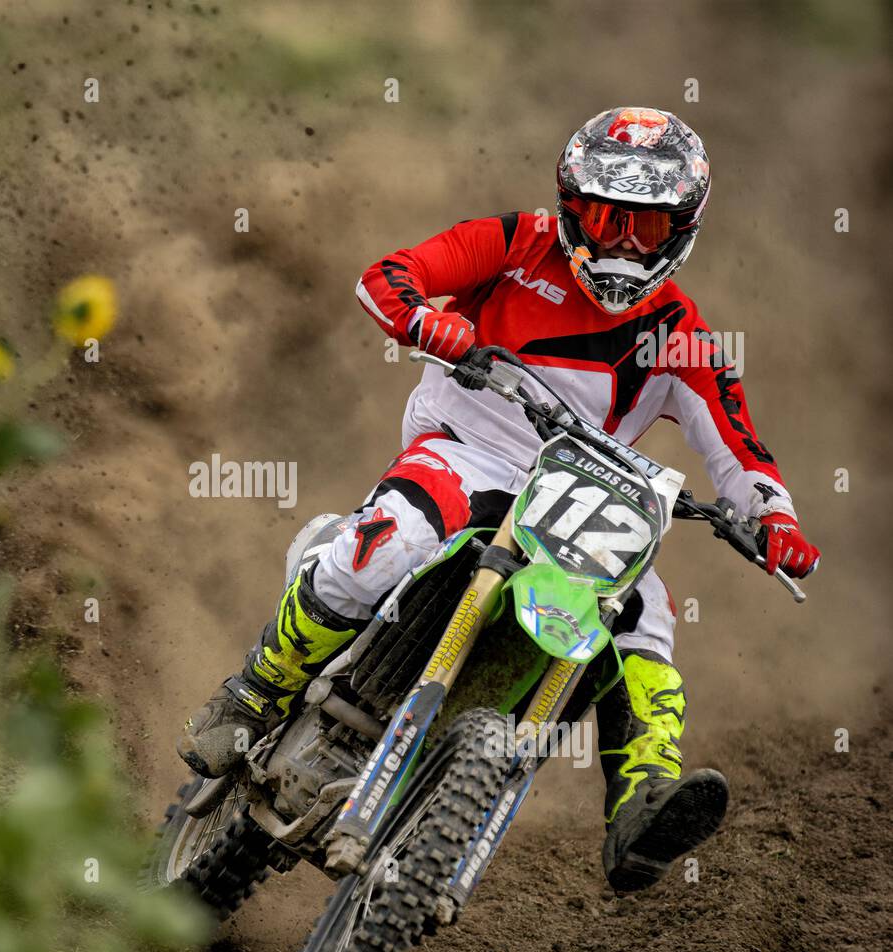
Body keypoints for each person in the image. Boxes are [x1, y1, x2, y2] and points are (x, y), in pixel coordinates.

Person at [176, 107, 820, 891]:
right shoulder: (514, 243)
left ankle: (640, 805)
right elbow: (385, 278)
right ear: (570, 205)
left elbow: (740, 448)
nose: (620, 241)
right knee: (395, 542)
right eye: (607, 217)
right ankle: (255, 691)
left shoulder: (681, 336)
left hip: (584, 501)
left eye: (645, 229)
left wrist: (774, 519)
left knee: (645, 610)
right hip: (465, 453)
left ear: (681, 232)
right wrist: (427, 323)